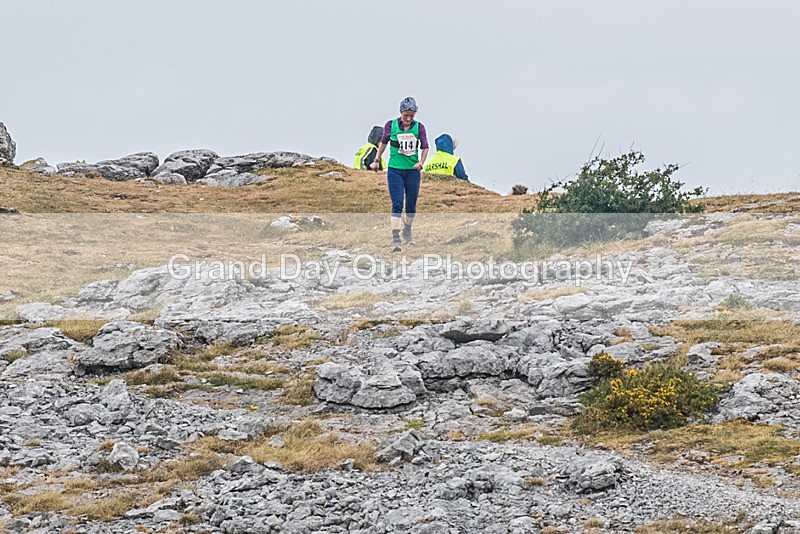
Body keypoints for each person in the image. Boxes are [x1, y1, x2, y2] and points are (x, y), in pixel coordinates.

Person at [371, 97, 429, 252]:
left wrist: (421, 162)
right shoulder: (391, 125)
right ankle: (396, 240)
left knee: (411, 206)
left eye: (411, 116)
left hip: (412, 171)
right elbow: (383, 143)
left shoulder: (419, 127)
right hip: (395, 170)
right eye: (406, 115)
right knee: (397, 204)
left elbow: (425, 147)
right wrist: (376, 160)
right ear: (401, 112)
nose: (408, 119)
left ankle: (407, 231)